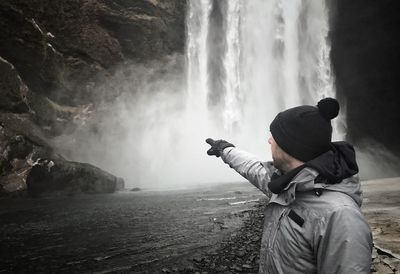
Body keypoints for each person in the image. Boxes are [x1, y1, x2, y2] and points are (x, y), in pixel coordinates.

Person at [205, 98, 373, 274]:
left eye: (275, 136)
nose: (269, 140)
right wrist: (225, 150)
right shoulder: (289, 184)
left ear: (291, 145)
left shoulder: (341, 216)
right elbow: (254, 169)